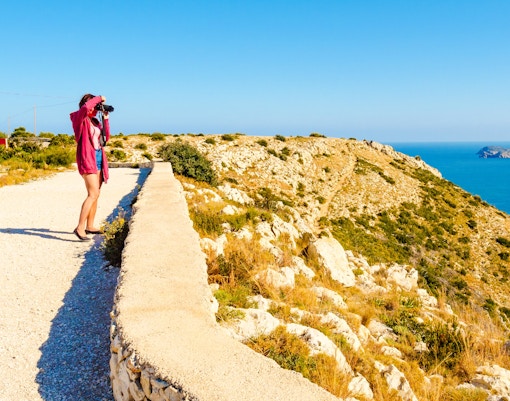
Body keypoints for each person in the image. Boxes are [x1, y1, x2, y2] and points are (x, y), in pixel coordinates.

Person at [70, 94, 110, 241]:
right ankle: (80, 227)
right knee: (92, 193)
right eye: (94, 106)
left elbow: (107, 138)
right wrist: (100, 98)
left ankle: (90, 225)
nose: (95, 109)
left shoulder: (94, 120)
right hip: (87, 157)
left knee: (96, 193)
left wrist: (105, 118)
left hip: (99, 156)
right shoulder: (79, 119)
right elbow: (86, 107)